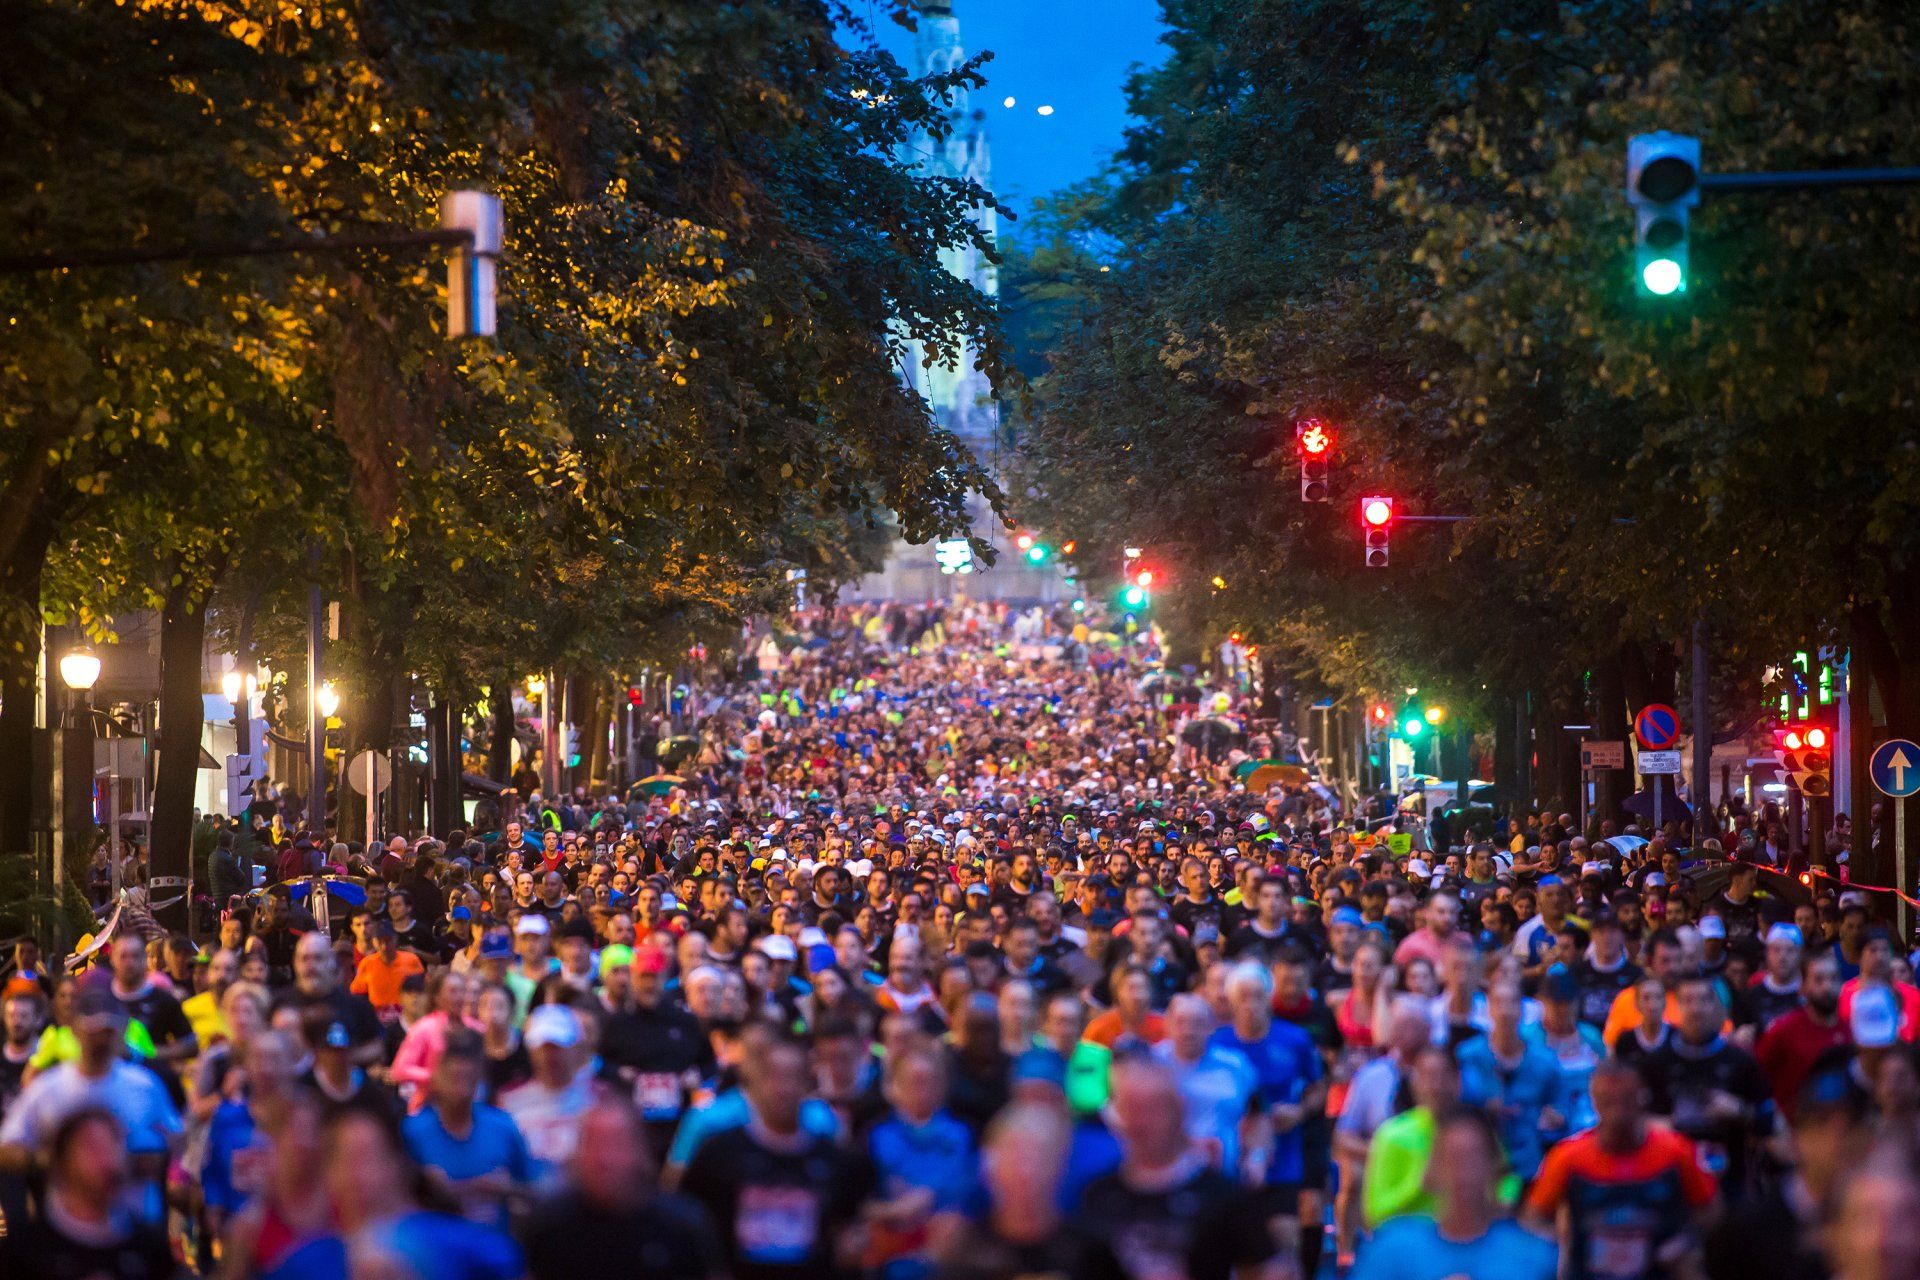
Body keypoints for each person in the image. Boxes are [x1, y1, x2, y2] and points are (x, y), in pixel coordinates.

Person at [678, 1031, 875, 1280]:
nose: (783, 1089)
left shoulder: (835, 1160)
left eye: (792, 1077)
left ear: (807, 1084)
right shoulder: (719, 1153)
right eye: (774, 1077)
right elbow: (686, 1219)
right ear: (755, 1083)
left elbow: (852, 1226)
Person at [1077, 1055, 1284, 1280]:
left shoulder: (1220, 1195)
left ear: (1178, 1112)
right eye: (1131, 1110)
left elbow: (1271, 1268)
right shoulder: (1099, 1195)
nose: (1141, 1123)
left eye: (1151, 1109)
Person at [1524, 1059, 1717, 1280]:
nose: (1618, 1112)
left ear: (1642, 1098)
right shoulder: (1568, 1158)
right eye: (1608, 1102)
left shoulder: (1676, 1151)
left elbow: (1710, 1210)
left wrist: (1685, 1241)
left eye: (1626, 1100)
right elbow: (1533, 1218)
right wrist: (1562, 1244)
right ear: (1595, 1103)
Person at [521, 1095, 725, 1280]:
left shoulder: (683, 1224)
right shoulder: (549, 1226)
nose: (604, 1159)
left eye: (615, 1144)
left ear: (640, 1152)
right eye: (594, 1144)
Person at [1350, 1107, 1556, 1280]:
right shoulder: (1391, 1250)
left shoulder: (1533, 1256)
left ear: (1494, 1166)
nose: (1462, 1175)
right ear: (1431, 1168)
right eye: (1451, 1161)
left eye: (1472, 1159)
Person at [0, 1108, 176, 1279]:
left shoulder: (149, 1248)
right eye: (91, 1147)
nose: (106, 1159)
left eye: (113, 1144)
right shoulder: (26, 1252)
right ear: (62, 1163)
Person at [403, 1028, 535, 1231]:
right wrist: (425, 1185)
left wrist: (504, 1189)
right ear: (437, 1079)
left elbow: (534, 1188)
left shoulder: (502, 1126)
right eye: (454, 1077)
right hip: (434, 1253)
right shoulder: (412, 1132)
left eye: (468, 1078)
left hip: (493, 1249)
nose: (461, 1089)